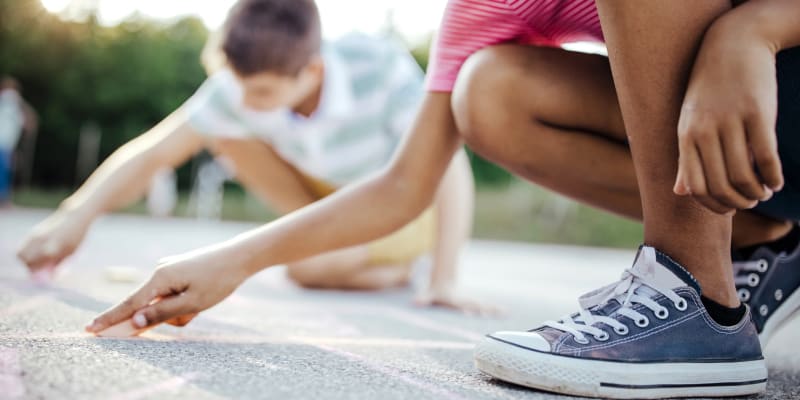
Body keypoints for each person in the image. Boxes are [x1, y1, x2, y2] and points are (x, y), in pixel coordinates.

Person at [78, 0, 798, 397]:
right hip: (773, 149)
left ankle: (695, 299)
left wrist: (753, 27)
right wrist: (235, 259)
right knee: (489, 93)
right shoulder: (478, 8)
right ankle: (763, 237)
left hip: (777, 70)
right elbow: (403, 185)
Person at [16, 0, 485, 312]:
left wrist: (445, 279)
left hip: (396, 199)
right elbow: (153, 152)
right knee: (224, 133)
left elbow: (449, 165)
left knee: (307, 268)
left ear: (313, 69)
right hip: (321, 193)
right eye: (239, 86)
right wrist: (73, 216)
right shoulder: (239, 87)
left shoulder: (379, 66)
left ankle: (398, 268)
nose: (244, 100)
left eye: (262, 92)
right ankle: (331, 245)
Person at [0, 76, 36, 206]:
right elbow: (28, 117)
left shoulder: (9, 105)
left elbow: (23, 122)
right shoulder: (10, 97)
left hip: (6, 144)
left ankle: (4, 199)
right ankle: (3, 199)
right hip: (3, 143)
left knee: (4, 170)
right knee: (3, 171)